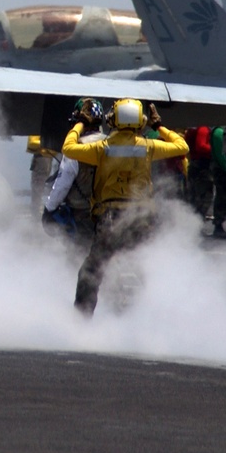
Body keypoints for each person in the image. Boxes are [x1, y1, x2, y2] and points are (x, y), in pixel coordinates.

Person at [62, 99, 189, 315]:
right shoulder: (148, 147)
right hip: (142, 218)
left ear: (115, 120)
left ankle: (81, 321)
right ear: (141, 122)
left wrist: (81, 123)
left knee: (92, 270)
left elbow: (69, 148)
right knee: (145, 266)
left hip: (111, 218)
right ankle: (157, 317)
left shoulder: (103, 148)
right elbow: (182, 146)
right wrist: (159, 126)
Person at [41, 98, 105, 239]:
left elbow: (62, 185)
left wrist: (49, 210)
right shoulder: (112, 144)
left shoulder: (76, 149)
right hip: (108, 217)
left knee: (77, 258)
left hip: (82, 218)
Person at [184, 126, 214, 219]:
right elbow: (201, 146)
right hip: (202, 166)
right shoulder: (203, 129)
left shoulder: (192, 129)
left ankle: (193, 223)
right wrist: (216, 149)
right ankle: (198, 222)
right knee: (204, 198)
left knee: (193, 197)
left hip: (194, 164)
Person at [209, 125, 226, 237]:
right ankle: (219, 224)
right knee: (222, 196)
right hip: (221, 171)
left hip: (221, 169)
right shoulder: (219, 132)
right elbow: (220, 154)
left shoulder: (220, 131)